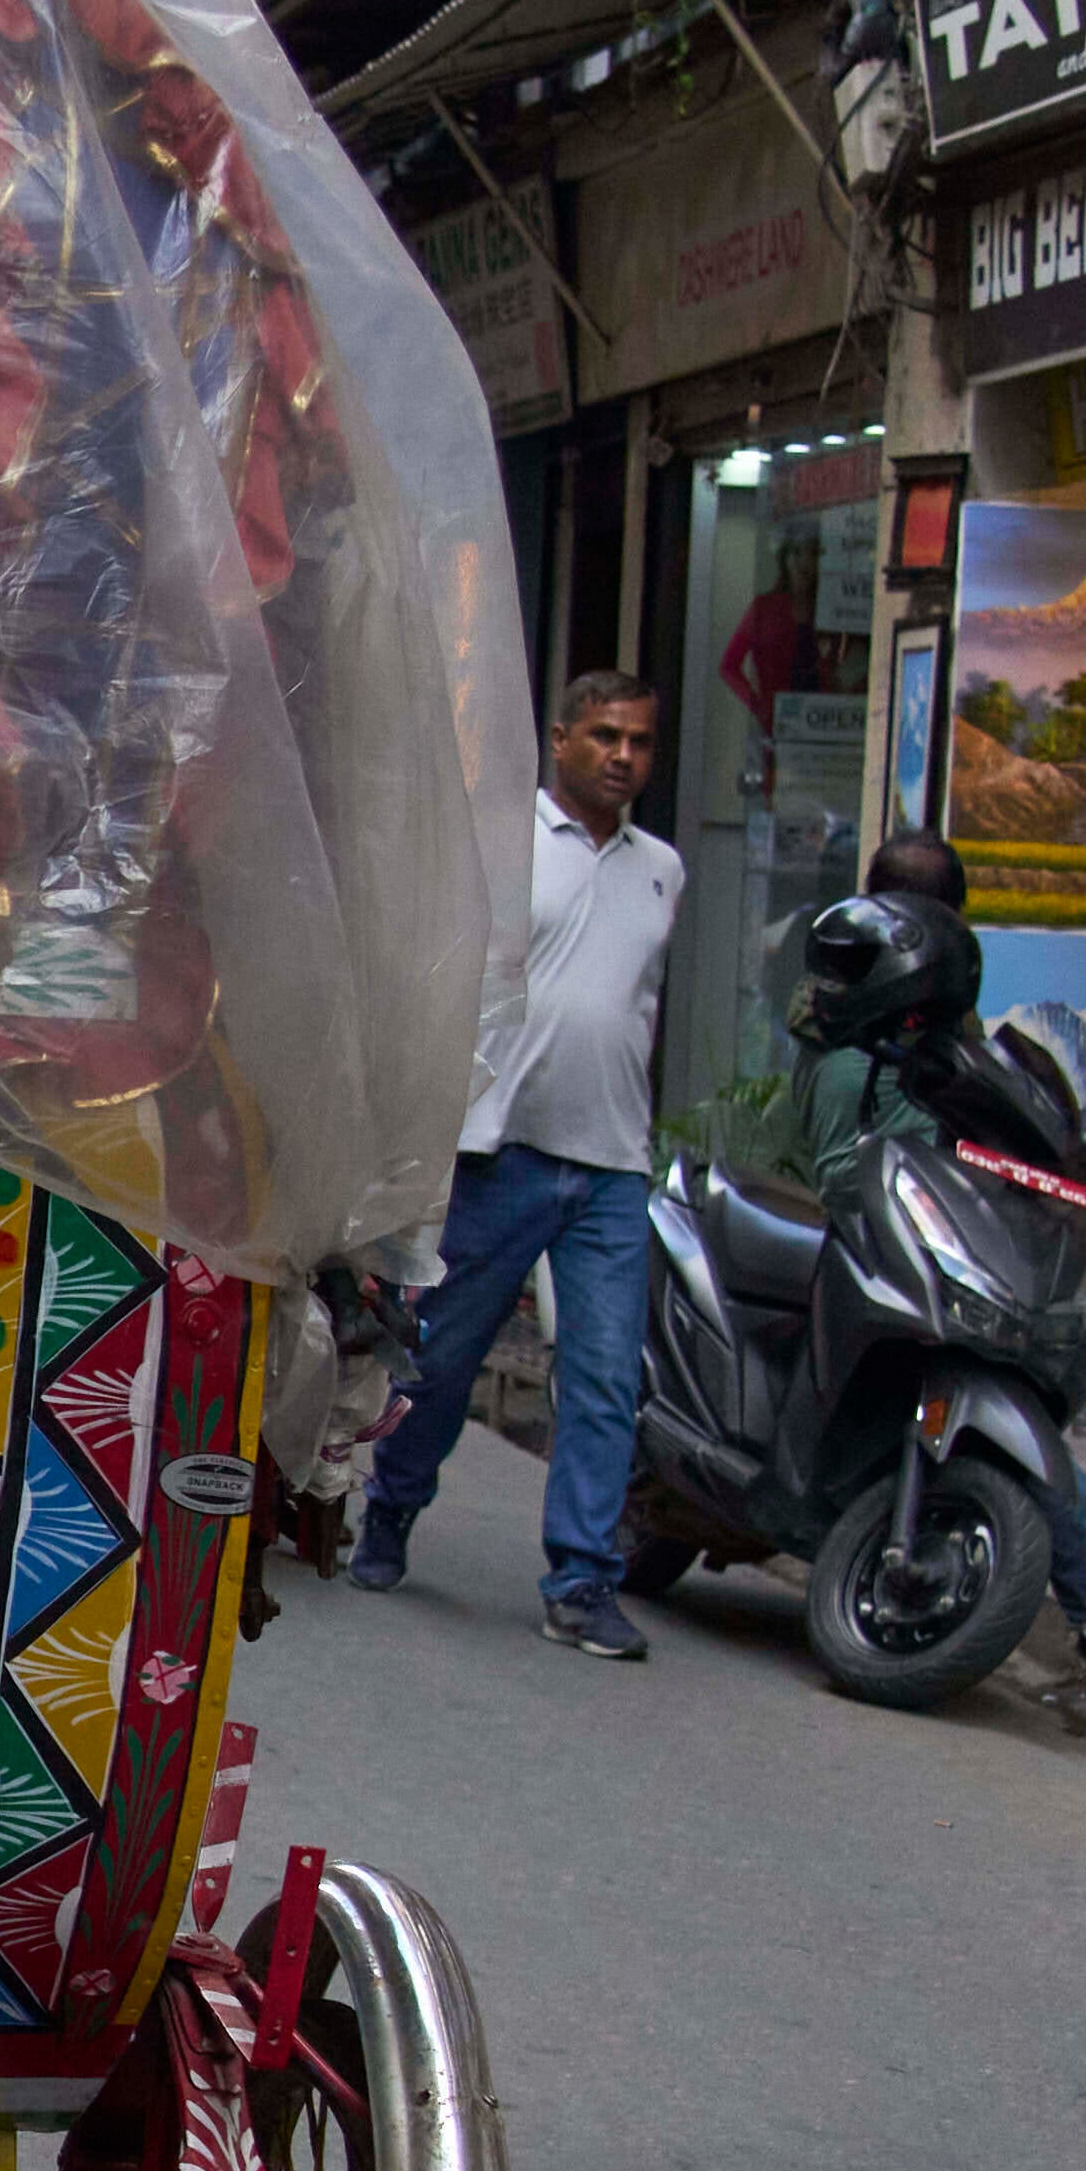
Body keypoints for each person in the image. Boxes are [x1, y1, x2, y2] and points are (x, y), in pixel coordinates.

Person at [810, 834, 1086, 1678]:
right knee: (1003, 1396)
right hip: (892, 1253)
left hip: (907, 1250)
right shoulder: (867, 1041)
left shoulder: (902, 1024)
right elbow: (861, 1165)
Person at [351, 673, 684, 1654]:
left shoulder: (663, 868)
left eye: (641, 742)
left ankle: (582, 1580)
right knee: (446, 1362)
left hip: (614, 1162)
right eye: (605, 736)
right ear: (561, 739)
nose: (623, 755)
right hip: (504, 1153)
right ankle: (394, 1508)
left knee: (603, 1374)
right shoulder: (503, 848)